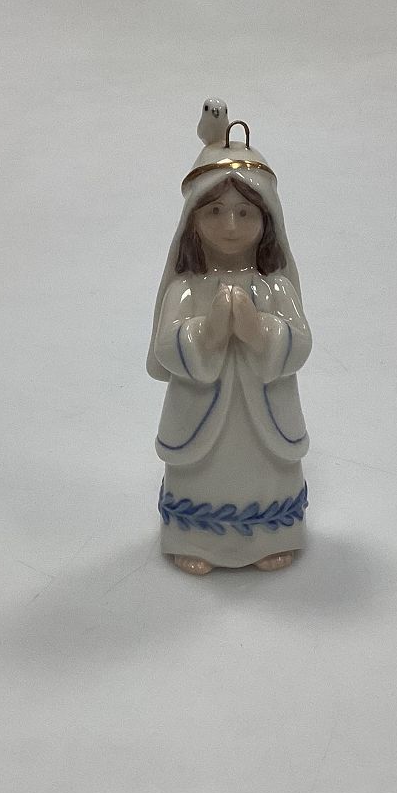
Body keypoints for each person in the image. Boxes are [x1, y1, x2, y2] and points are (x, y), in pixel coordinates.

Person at [148, 116, 310, 574]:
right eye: (215, 211)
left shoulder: (276, 287)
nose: (230, 225)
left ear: (267, 220)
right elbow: (165, 346)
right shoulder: (185, 288)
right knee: (204, 474)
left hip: (266, 415)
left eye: (245, 212)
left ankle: (272, 534)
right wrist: (207, 334)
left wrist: (261, 333)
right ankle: (195, 538)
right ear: (193, 220)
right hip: (199, 415)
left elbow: (301, 341)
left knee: (264, 470)